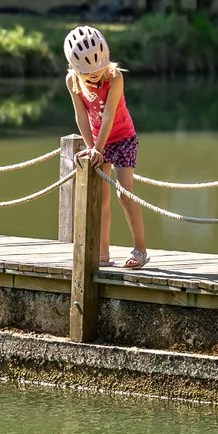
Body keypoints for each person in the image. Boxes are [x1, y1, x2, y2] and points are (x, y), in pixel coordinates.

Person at [63, 25, 150, 269]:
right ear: (76, 69)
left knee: (124, 194)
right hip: (98, 141)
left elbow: (110, 115)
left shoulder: (114, 77)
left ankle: (140, 249)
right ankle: (102, 253)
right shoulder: (73, 81)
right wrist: (92, 148)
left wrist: (98, 149)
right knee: (100, 197)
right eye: (89, 74)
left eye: (98, 71)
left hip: (122, 138)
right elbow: (81, 115)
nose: (95, 77)